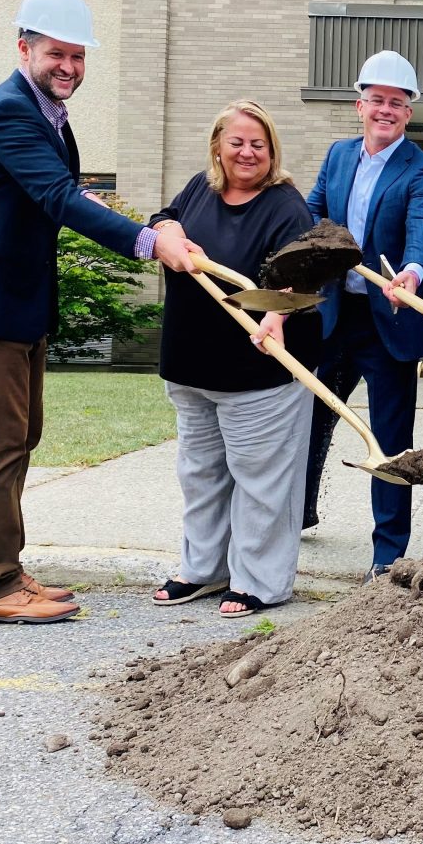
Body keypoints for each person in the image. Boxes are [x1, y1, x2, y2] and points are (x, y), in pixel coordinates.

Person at [0, 0, 201, 626]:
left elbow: (56, 195)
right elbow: (56, 197)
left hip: (15, 302)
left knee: (23, 436)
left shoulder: (45, 111)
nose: (69, 67)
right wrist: (148, 241)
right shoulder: (10, 112)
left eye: (78, 57)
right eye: (57, 54)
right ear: (24, 48)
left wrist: (123, 220)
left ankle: (5, 567)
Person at [146, 101, 320, 617]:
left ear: (272, 151)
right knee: (200, 476)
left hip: (258, 374)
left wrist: (278, 314)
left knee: (262, 481)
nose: (247, 152)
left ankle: (260, 582)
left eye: (258, 144)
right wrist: (167, 230)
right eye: (237, 142)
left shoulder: (285, 204)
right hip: (191, 366)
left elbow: (302, 269)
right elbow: (166, 219)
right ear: (218, 146)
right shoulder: (200, 187)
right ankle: (202, 569)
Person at [301, 51, 423, 580]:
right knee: (309, 417)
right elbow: (314, 212)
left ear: (409, 113)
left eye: (397, 103)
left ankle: (388, 552)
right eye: (377, 100)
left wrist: (411, 271)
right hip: (336, 313)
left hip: (388, 320)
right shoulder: (339, 156)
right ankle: (297, 512)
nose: (386, 110)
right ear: (360, 105)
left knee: (389, 438)